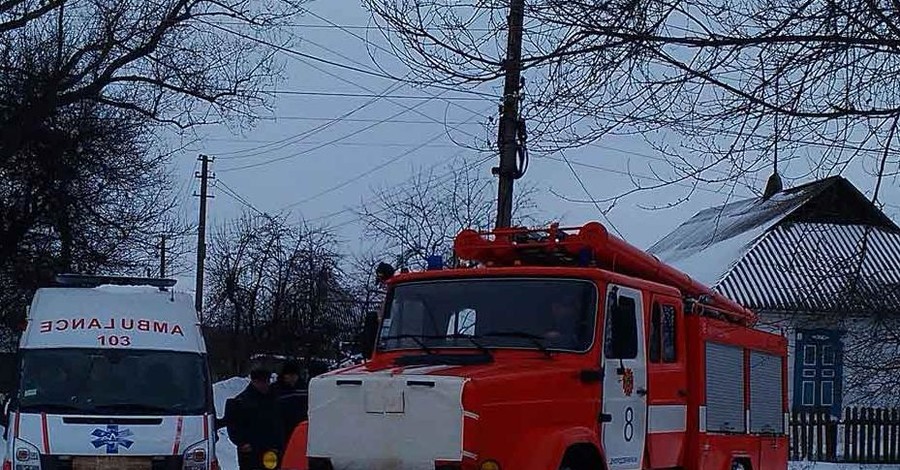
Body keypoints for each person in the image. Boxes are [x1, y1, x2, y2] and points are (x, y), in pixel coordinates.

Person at [224, 368, 284, 470]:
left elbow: (280, 422)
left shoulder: (275, 399)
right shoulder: (240, 402)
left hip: (271, 449)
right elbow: (233, 424)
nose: (264, 385)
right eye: (261, 382)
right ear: (253, 381)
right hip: (250, 451)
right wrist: (242, 443)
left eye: (266, 381)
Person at [271, 360, 308, 449]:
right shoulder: (275, 389)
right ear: (284, 375)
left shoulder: (304, 388)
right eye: (289, 375)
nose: (292, 378)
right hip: (282, 429)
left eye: (294, 375)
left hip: (301, 428)